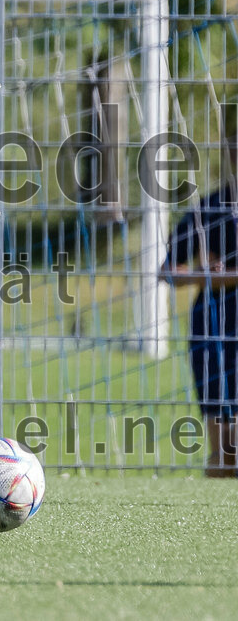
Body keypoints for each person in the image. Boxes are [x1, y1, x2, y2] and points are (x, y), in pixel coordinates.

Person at [160, 129, 238, 478]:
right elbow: (168, 271)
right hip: (214, 323)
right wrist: (203, 273)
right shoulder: (207, 209)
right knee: (223, 453)